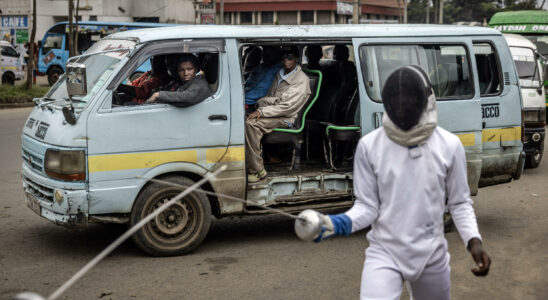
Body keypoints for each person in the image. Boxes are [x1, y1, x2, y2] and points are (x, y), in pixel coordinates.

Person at [299, 65, 491, 299]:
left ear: (427, 101)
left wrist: (474, 241)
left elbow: (460, 203)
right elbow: (368, 207)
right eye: (397, 103)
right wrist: (334, 223)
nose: (403, 109)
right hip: (385, 252)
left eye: (410, 102)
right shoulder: (370, 146)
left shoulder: (449, 146)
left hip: (431, 253)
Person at [246, 46, 311, 182]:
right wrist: (263, 106)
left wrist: (262, 111)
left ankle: (257, 170)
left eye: (290, 57)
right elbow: (271, 96)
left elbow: (287, 107)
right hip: (274, 112)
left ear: (297, 59)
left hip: (287, 118)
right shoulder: (280, 73)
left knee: (251, 125)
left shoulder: (301, 80)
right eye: (283, 58)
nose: (286, 60)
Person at [244, 46, 282, 113]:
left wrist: (242, 96)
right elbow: (248, 82)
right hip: (247, 95)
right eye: (264, 55)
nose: (265, 58)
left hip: (254, 103)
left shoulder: (278, 70)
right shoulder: (260, 67)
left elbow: (262, 91)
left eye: (268, 55)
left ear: (276, 56)